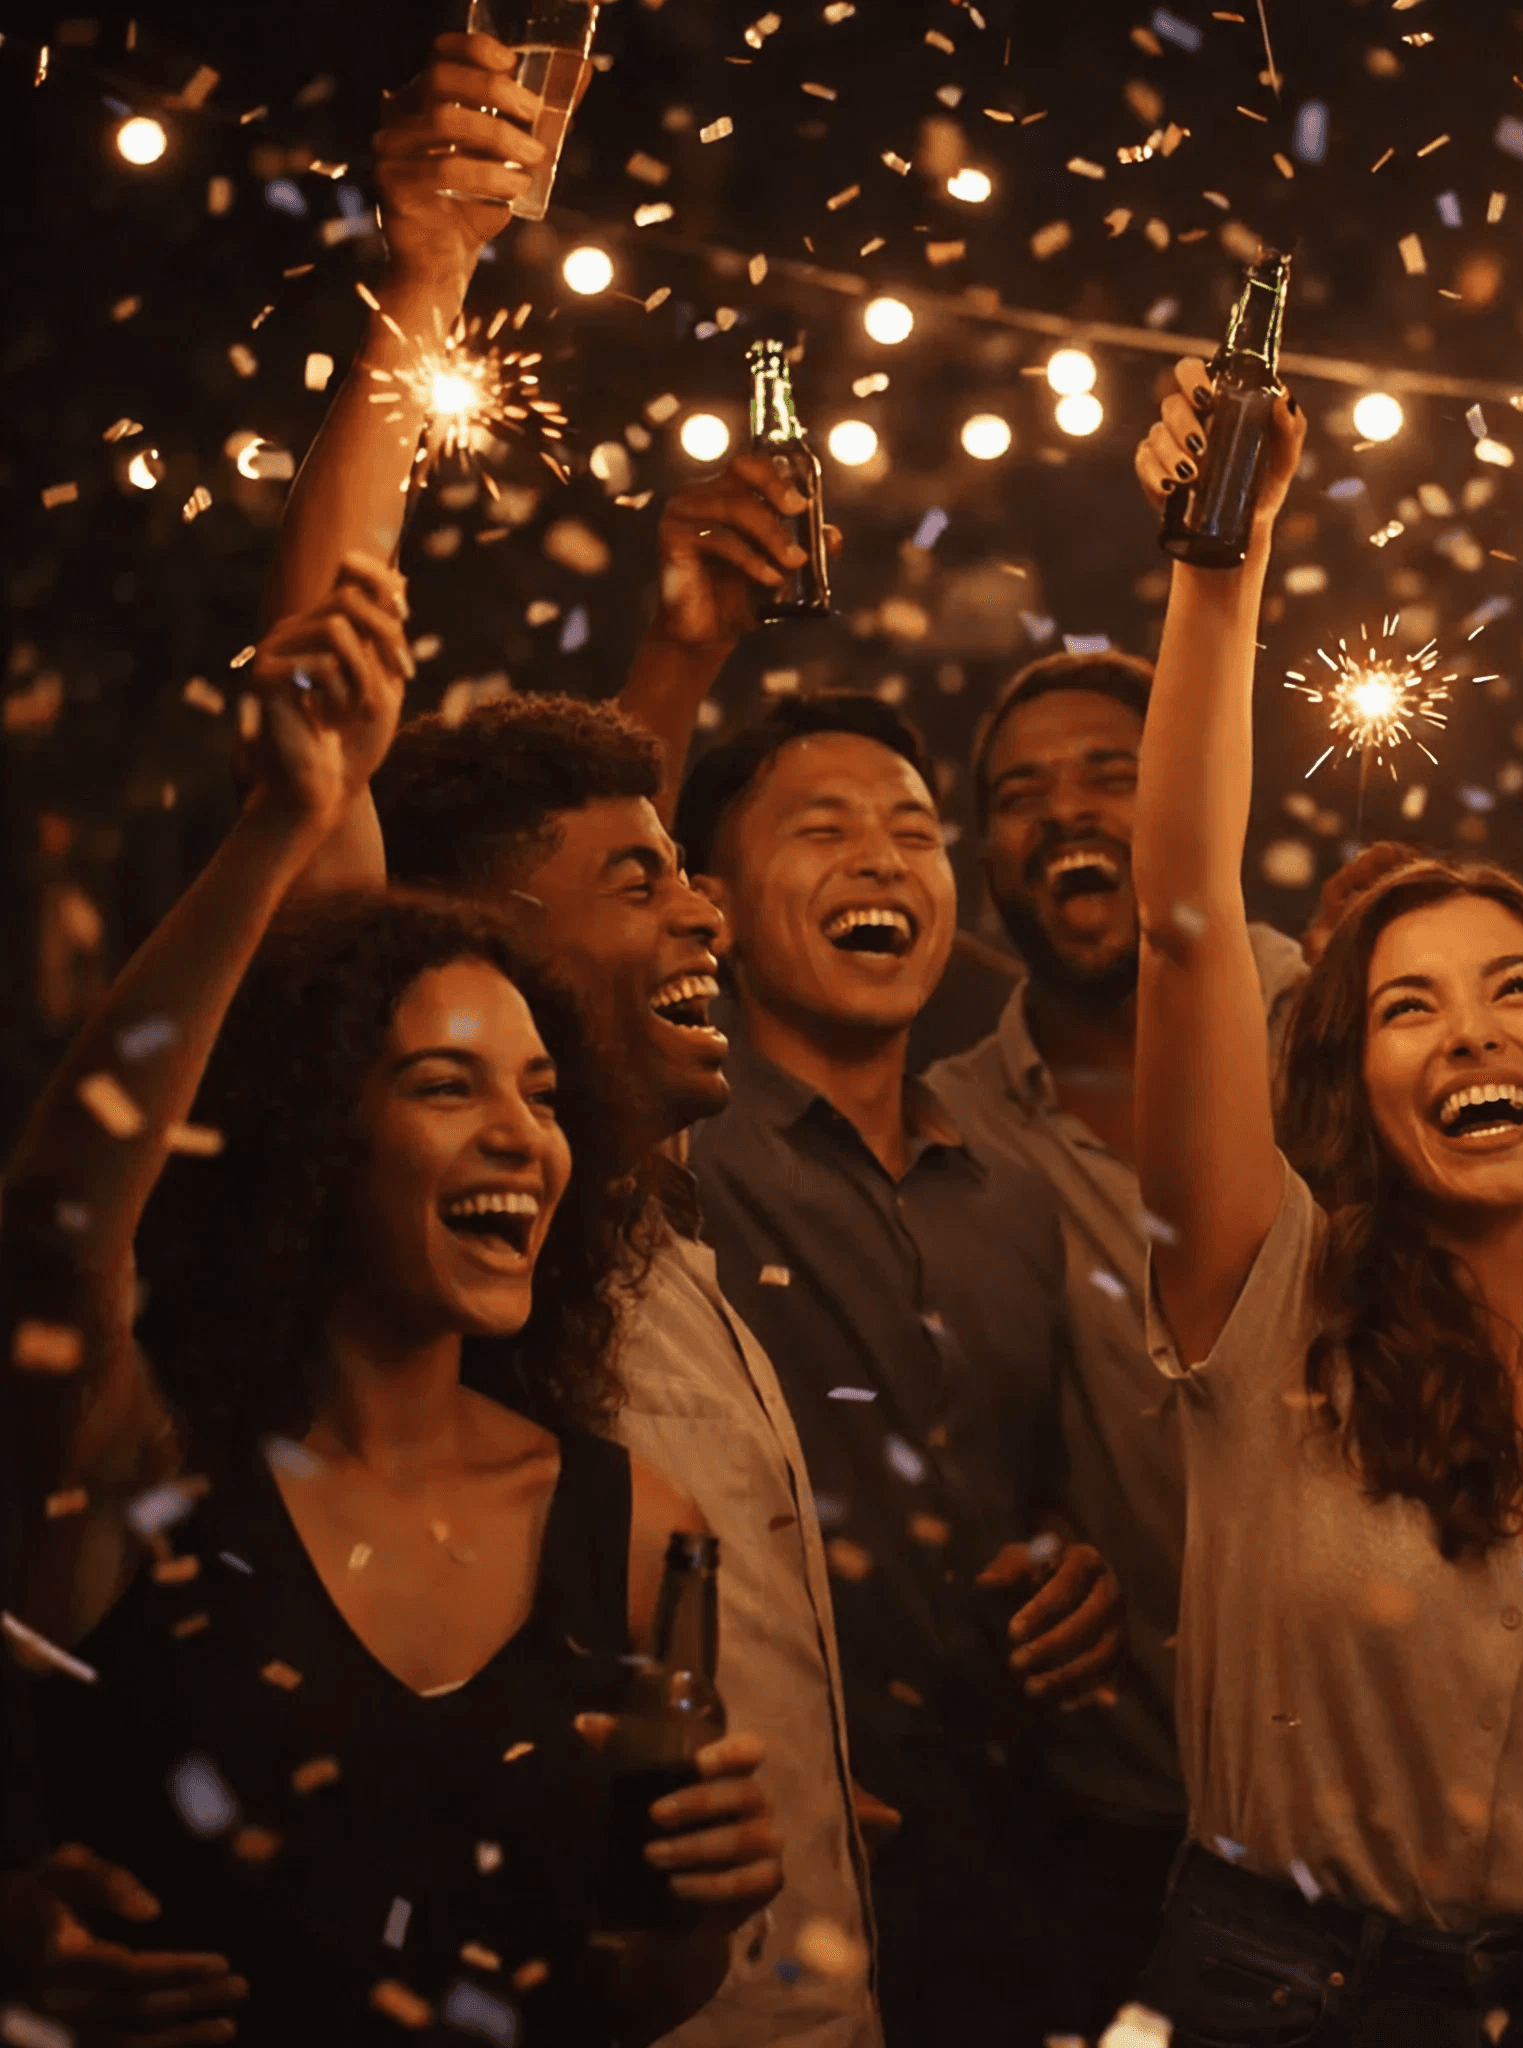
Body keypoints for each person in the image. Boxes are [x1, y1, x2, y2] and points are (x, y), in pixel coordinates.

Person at [249, 40, 886, 2043]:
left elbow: (606, 881)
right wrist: (428, 272)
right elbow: (326, 735)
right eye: (646, 881)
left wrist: (686, 645)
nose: (707, 910)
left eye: (688, 872)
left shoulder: (639, 1228)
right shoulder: (459, 1260)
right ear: (477, 963)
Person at [2, 573, 782, 2045]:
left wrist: (708, 1907)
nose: (522, 1138)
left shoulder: (636, 1527)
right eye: (444, 1085)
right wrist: (278, 828)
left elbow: (638, 1989)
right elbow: (55, 1229)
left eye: (542, 1094)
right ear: (313, 1143)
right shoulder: (150, 1468)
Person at [1126, 359, 1523, 2043]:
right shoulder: (1268, 1302)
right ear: (1362, 1093)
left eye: (1516, 989)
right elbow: (1183, 918)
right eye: (1409, 1006)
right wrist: (1223, 563)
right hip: (1267, 1999)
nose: (1469, 1030)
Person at [670, 691, 1129, 2048]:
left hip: (1007, 1867)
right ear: (710, 906)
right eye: (823, 830)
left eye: (914, 833)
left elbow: (1029, 1492)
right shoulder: (668, 1162)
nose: (881, 859)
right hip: (748, 1879)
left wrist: (1075, 1570)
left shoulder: (1013, 1201)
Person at [922, 647, 1314, 2006]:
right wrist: (1023, 1532)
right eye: (1020, 795)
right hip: (1124, 1829)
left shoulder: (1341, 1027)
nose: (1068, 811)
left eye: (1111, 772)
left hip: (1403, 1807)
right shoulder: (946, 1128)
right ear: (985, 860)